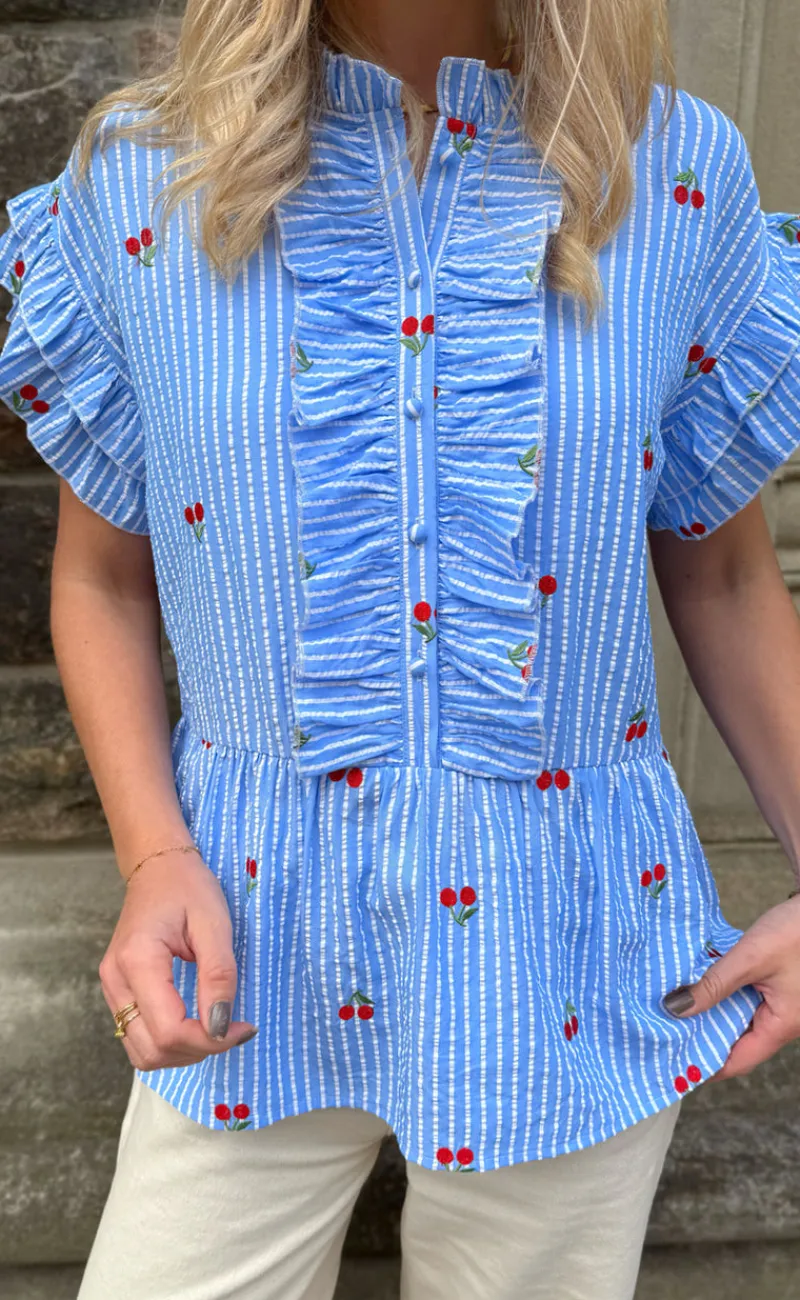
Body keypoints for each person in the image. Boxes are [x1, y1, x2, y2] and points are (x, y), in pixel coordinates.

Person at [1, 0, 799, 1297]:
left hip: (570, 951)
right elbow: (102, 578)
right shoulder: (140, 178)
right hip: (244, 940)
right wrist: (152, 856)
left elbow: (722, 570)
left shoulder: (675, 171)